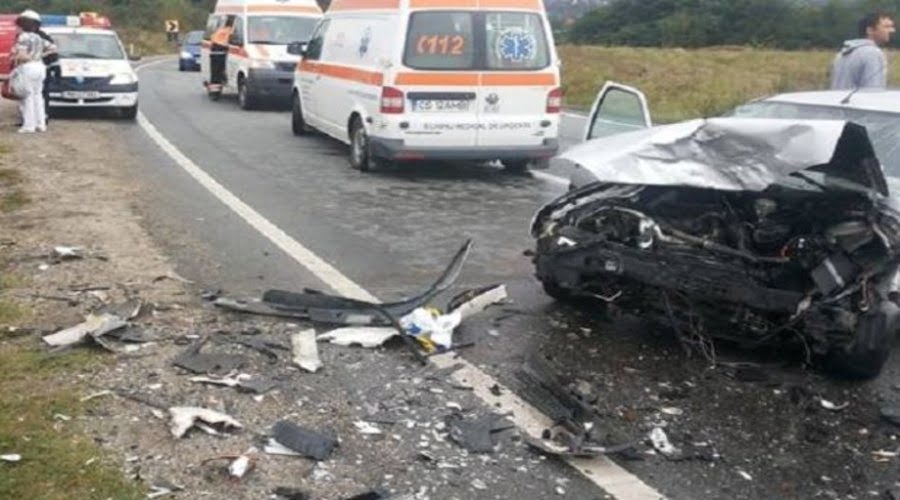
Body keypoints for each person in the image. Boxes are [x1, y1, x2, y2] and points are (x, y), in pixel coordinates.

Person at [830, 12, 896, 90]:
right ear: (870, 30)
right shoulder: (873, 54)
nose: (892, 30)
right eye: (886, 27)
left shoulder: (842, 53)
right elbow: (874, 91)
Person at [13, 10, 50, 133]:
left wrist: (16, 56)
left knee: (27, 96)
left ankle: (29, 125)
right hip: (40, 66)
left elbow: (22, 55)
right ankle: (41, 124)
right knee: (38, 95)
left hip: (28, 68)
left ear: (22, 25)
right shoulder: (38, 37)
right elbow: (53, 48)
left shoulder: (23, 37)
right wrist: (38, 56)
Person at [36, 22, 59, 127]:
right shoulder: (24, 35)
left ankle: (43, 116)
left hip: (43, 69)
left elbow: (53, 53)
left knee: (42, 94)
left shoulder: (42, 37)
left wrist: (42, 58)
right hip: (37, 69)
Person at [209, 18, 234, 86]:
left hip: (214, 49)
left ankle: (214, 82)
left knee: (214, 69)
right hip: (221, 49)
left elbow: (212, 38)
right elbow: (230, 38)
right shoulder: (229, 30)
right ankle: (222, 81)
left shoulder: (220, 29)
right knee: (221, 68)